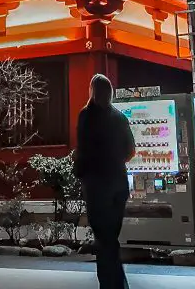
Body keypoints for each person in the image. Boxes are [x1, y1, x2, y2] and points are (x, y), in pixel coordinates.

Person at [75, 74, 135, 289]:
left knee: (103, 238)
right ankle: (117, 284)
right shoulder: (119, 117)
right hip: (119, 183)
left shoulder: (87, 115)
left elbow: (83, 150)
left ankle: (111, 284)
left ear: (92, 91)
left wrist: (81, 172)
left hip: (97, 185)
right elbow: (131, 150)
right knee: (111, 237)